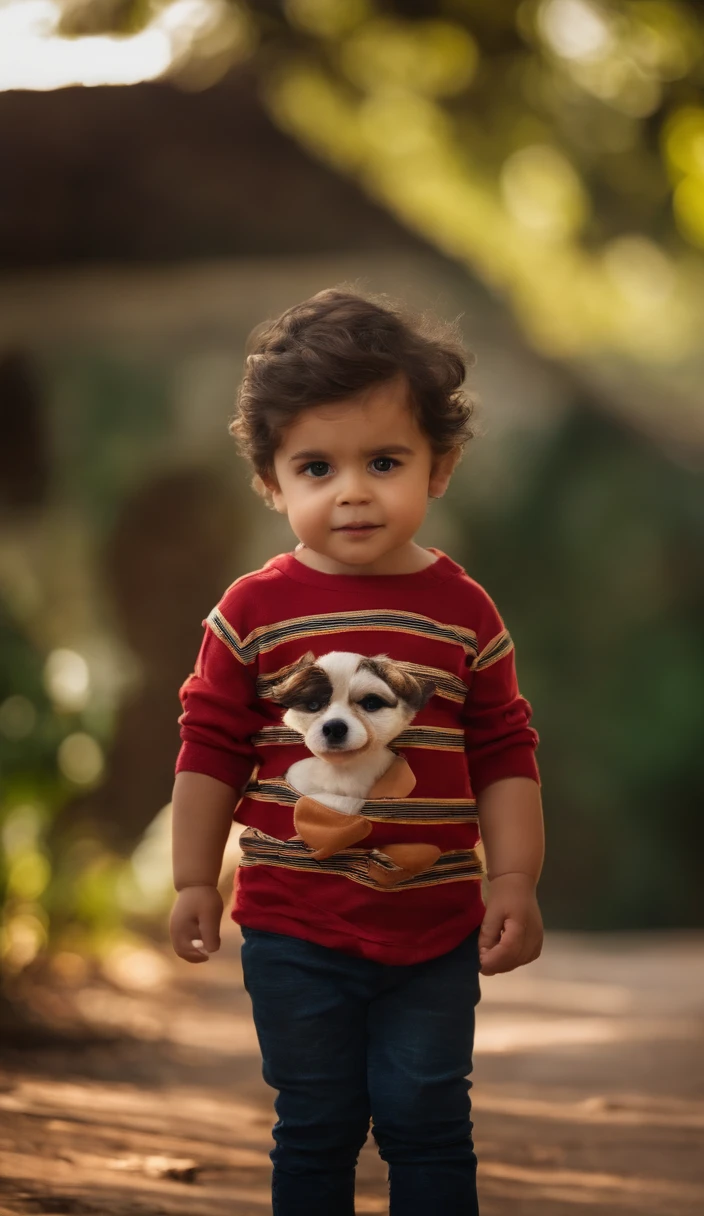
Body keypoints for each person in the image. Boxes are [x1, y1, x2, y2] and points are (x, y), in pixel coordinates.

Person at [168, 287, 545, 1216]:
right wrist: (191, 880)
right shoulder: (248, 614)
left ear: (439, 465)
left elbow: (504, 748)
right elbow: (210, 747)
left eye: (385, 460)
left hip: (435, 932)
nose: (353, 491)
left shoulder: (465, 612)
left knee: (426, 1117)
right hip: (294, 928)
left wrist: (515, 882)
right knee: (315, 1122)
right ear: (271, 481)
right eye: (315, 466)